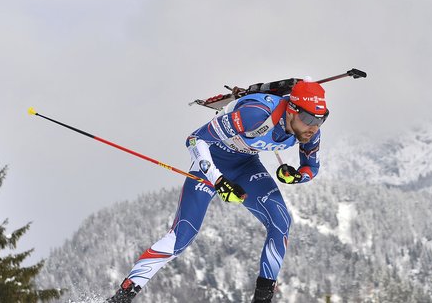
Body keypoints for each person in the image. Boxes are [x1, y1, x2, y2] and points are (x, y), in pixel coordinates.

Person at [107, 80, 328, 303]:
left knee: (281, 222)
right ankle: (123, 295)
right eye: (309, 119)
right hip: (212, 161)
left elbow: (311, 167)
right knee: (182, 237)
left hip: (246, 165)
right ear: (292, 110)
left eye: (321, 119)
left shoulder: (309, 132)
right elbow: (195, 139)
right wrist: (218, 179)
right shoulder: (256, 114)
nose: (314, 126)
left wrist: (297, 176)